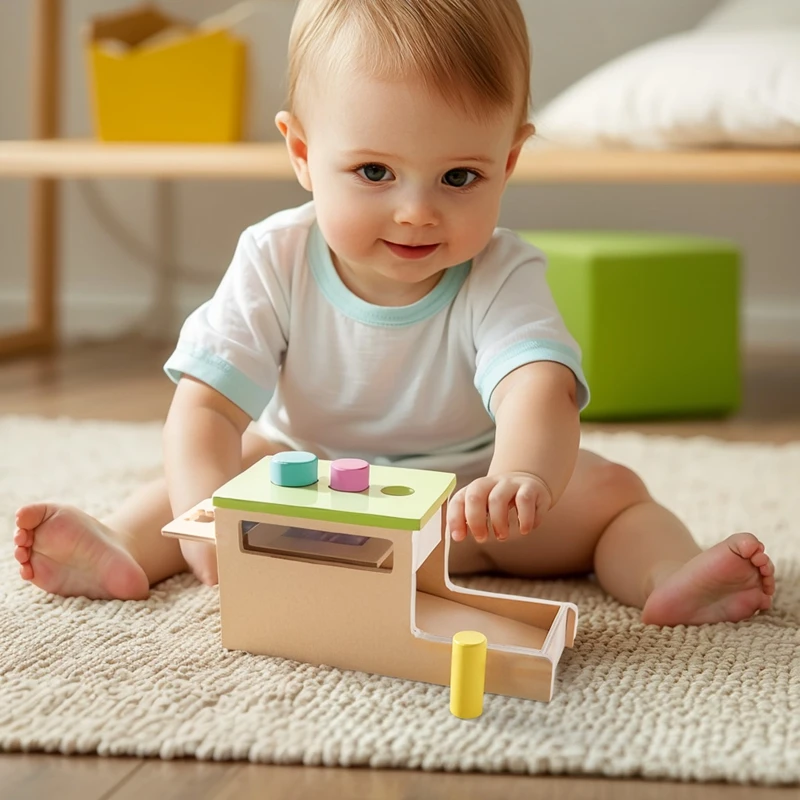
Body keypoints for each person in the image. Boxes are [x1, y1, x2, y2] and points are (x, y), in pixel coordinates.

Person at [13, 0, 774, 626]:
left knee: (615, 499)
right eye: (374, 171)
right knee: (206, 478)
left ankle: (670, 574)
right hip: (307, 488)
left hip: (468, 510)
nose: (416, 212)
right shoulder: (275, 255)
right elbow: (206, 404)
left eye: (459, 176)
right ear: (303, 154)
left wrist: (519, 478)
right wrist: (208, 517)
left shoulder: (500, 270)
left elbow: (535, 385)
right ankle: (118, 544)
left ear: (507, 163)